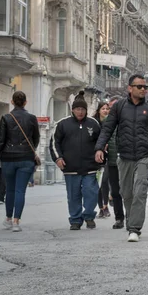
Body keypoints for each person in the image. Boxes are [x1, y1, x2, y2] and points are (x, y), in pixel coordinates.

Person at [95, 74, 148, 243]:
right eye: (139, 87)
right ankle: (131, 221)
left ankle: (134, 228)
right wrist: (99, 147)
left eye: (145, 87)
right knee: (126, 193)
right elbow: (107, 129)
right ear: (130, 88)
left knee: (140, 192)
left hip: (143, 156)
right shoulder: (119, 107)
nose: (143, 90)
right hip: (124, 156)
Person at [0, 91, 39, 232]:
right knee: (20, 191)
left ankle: (8, 219)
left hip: (8, 158)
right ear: (25, 102)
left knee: (9, 189)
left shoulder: (6, 118)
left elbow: (1, 141)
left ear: (12, 102)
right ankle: (17, 221)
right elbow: (36, 138)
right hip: (26, 158)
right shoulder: (31, 118)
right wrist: (30, 149)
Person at [51, 91, 101, 230]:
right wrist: (58, 158)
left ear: (86, 110)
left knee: (91, 193)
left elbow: (101, 142)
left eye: (83, 109)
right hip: (70, 167)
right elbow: (54, 143)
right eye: (78, 109)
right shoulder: (62, 124)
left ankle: (89, 216)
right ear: (72, 110)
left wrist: (101, 154)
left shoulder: (93, 124)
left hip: (90, 167)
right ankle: (75, 220)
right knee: (73, 196)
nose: (80, 112)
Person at [106, 96, 125, 230]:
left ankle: (131, 217)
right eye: (111, 107)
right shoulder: (107, 122)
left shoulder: (129, 120)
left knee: (129, 191)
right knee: (116, 192)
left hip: (127, 160)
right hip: (112, 161)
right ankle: (119, 218)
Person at [93, 102, 111, 219]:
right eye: (103, 108)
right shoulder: (94, 123)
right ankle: (101, 208)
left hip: (109, 156)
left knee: (105, 182)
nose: (105, 111)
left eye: (107, 109)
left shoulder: (111, 122)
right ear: (98, 110)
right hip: (96, 156)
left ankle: (106, 205)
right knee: (97, 183)